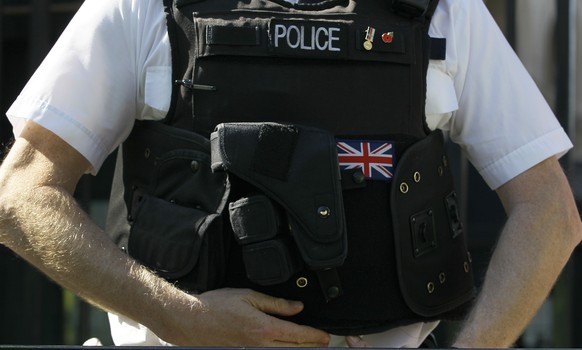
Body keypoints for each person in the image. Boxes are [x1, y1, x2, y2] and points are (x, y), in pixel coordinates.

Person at [0, 0, 580, 347]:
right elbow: (22, 195)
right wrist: (178, 317)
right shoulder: (145, 7)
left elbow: (549, 213)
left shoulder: (441, 12)